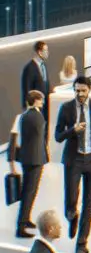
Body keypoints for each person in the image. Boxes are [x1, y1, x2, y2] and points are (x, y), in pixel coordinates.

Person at [54, 76, 91, 253]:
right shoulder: (66, 108)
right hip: (74, 160)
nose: (79, 94)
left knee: (90, 202)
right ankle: (72, 216)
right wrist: (73, 130)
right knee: (70, 200)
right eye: (77, 90)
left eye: (83, 90)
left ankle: (81, 243)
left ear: (89, 90)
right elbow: (58, 135)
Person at [10, 90, 47, 239]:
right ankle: (21, 225)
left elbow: (14, 138)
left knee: (28, 191)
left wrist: (12, 161)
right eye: (41, 100)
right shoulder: (37, 116)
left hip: (27, 159)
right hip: (35, 159)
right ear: (36, 101)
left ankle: (25, 219)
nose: (43, 102)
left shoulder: (22, 117)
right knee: (29, 192)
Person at [20, 41, 51, 121]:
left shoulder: (43, 66)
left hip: (45, 106)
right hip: (35, 108)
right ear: (40, 52)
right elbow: (27, 90)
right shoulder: (29, 68)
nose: (48, 53)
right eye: (46, 51)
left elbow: (46, 84)